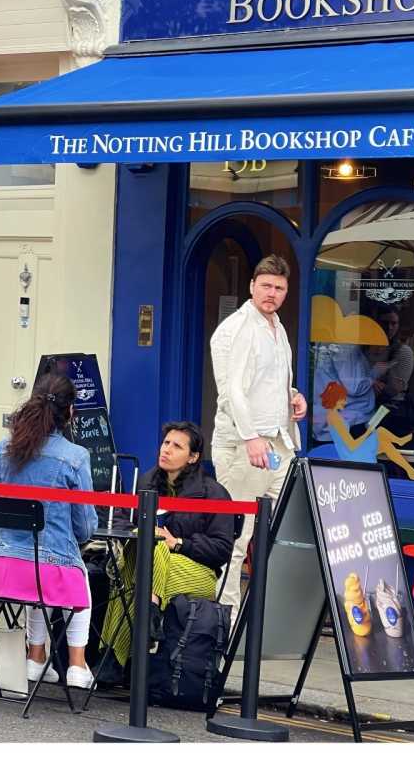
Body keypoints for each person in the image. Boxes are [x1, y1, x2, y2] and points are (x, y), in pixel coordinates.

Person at [0, 374, 96, 690]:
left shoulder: (3, 448)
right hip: (46, 571)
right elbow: (85, 527)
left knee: (40, 568)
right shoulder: (75, 456)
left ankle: (36, 657)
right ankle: (77, 665)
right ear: (70, 412)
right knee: (74, 575)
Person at [96, 422, 235, 685]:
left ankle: (111, 658)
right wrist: (143, 533)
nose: (166, 450)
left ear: (193, 457)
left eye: (177, 446)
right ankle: (149, 612)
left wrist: (179, 543)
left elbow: (221, 549)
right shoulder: (146, 482)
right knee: (148, 544)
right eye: (166, 443)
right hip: (153, 569)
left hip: (198, 571)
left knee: (149, 554)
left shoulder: (213, 493)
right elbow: (122, 520)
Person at [208, 254, 306, 622]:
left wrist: (293, 396)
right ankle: (225, 621)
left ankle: (275, 618)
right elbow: (231, 391)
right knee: (236, 536)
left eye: (279, 288)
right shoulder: (237, 328)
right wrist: (250, 437)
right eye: (266, 285)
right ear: (252, 286)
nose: (272, 293)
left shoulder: (276, 326)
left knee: (288, 528)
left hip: (279, 442)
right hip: (243, 446)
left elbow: (265, 381)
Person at [366, 307, 414, 436]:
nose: (389, 327)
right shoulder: (363, 348)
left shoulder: (402, 351)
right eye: (384, 323)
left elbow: (393, 389)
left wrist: (365, 383)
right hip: (362, 408)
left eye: (393, 323)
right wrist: (370, 382)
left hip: (388, 410)